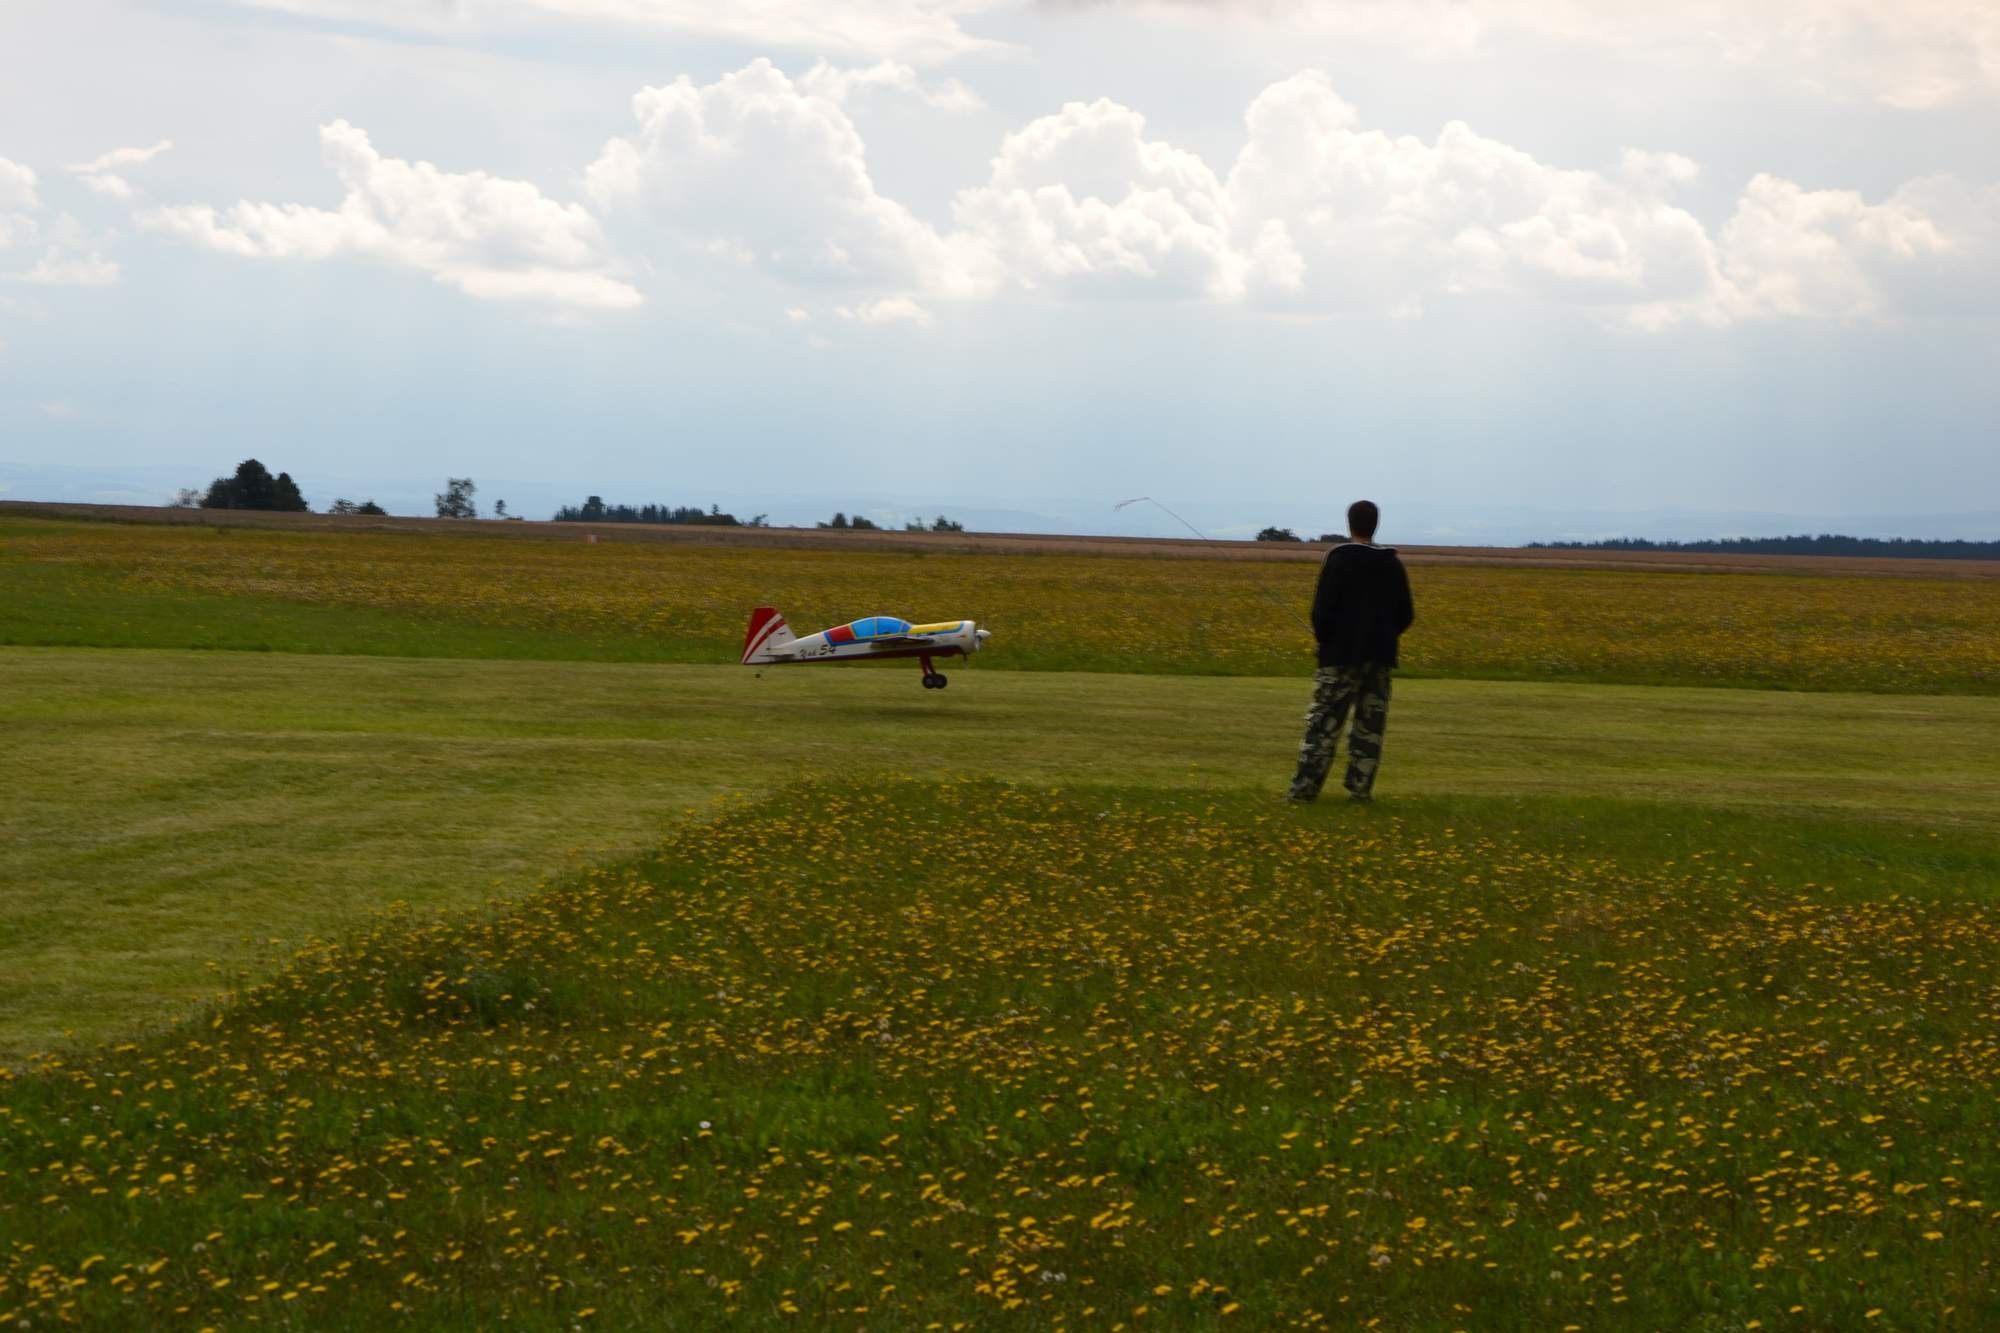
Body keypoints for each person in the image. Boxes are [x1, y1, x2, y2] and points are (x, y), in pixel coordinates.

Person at [1287, 500, 1415, 803]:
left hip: (1338, 657)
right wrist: (1385, 637)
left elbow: (1321, 611)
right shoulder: (1392, 564)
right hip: (1379, 658)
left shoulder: (1338, 560)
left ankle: (1304, 791)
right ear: (1375, 524)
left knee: (1323, 725)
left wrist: (1324, 638)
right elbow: (1406, 614)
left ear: (1350, 524)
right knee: (1369, 729)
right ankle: (1360, 790)